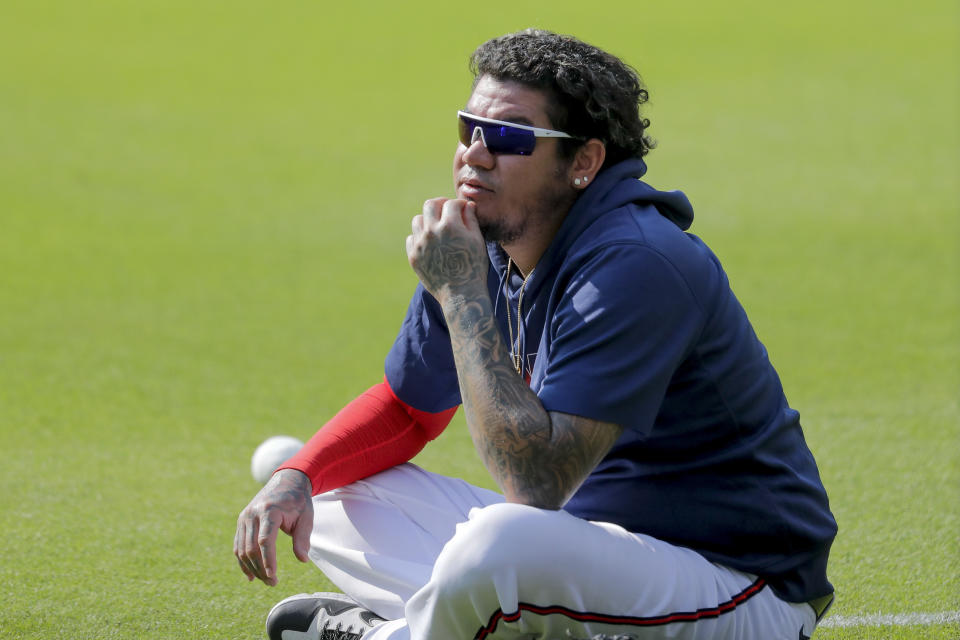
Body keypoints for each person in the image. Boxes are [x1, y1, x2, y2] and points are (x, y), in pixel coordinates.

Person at [234, 29, 837, 640]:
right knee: (335, 492)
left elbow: (536, 484)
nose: (475, 153)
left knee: (502, 542)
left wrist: (462, 290)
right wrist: (299, 477)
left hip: (737, 588)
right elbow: (410, 411)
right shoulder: (493, 245)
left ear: (583, 162)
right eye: (469, 128)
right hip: (593, 559)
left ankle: (392, 637)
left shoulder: (636, 262)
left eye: (509, 136)